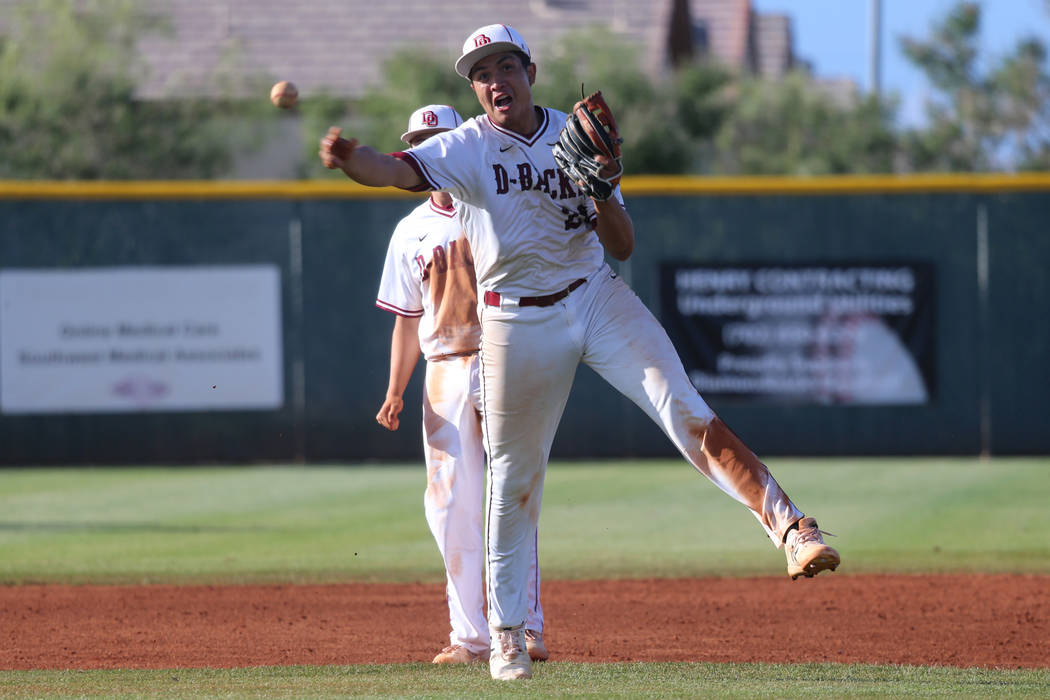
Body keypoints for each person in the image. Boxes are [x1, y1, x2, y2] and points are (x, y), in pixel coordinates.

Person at [321, 24, 840, 681]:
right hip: (514, 319)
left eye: (505, 65)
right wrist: (349, 156)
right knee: (514, 478)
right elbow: (394, 172)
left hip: (594, 295)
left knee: (682, 407)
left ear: (529, 71)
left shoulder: (575, 134)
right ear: (474, 88)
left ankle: (792, 529)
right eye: (480, 73)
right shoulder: (467, 145)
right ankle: (507, 634)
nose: (494, 80)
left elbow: (622, 245)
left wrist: (600, 184)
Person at [373, 104, 547, 666]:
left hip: (506, 359)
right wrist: (396, 388)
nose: (431, 147)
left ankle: (526, 630)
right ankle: (470, 638)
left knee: (512, 499)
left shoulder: (495, 200)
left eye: (439, 137)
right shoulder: (410, 231)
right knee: (451, 506)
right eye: (421, 140)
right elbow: (406, 314)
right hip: (443, 369)